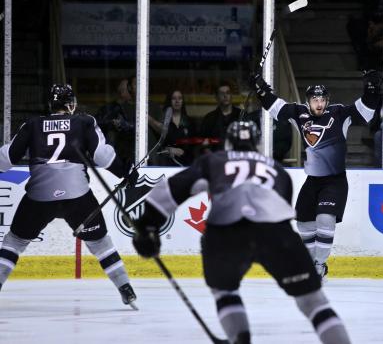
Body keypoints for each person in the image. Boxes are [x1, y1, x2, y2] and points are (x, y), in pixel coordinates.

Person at [132, 120, 352, 344]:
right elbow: (280, 213)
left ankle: (240, 339)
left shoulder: (214, 161)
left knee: (225, 291)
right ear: (257, 144)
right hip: (275, 231)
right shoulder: (278, 171)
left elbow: (170, 190)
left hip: (225, 232)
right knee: (314, 302)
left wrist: (148, 226)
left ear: (228, 143)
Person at [0, 84, 137, 307]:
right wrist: (125, 172)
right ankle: (125, 288)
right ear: (71, 104)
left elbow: (7, 159)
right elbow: (102, 156)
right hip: (77, 196)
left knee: (14, 242)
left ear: (50, 104)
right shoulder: (84, 121)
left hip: (39, 196)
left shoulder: (32, 125)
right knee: (101, 244)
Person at [251, 70, 380, 279]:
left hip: (335, 181)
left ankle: (319, 265)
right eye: (314, 99)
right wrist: (260, 88)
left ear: (327, 101)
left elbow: (366, 111)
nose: (319, 103)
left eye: (322, 99)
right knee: (302, 222)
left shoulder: (339, 113)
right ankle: (311, 263)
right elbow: (275, 107)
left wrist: (372, 88)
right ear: (308, 101)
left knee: (325, 219)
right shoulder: (299, 113)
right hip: (312, 181)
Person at [156, 90, 196, 166]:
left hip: (186, 163)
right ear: (169, 101)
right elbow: (157, 146)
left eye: (180, 98)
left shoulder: (190, 122)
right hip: (165, 164)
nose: (177, 101)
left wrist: (183, 152)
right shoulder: (163, 122)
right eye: (174, 98)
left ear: (182, 101)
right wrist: (168, 150)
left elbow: (194, 146)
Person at [199, 81, 242, 152]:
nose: (225, 96)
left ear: (231, 95)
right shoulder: (209, 118)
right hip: (216, 159)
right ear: (216, 97)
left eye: (228, 93)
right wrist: (210, 156)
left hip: (236, 158)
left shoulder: (241, 115)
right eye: (222, 93)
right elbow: (203, 143)